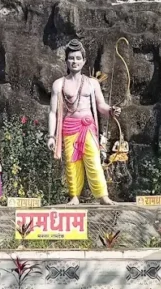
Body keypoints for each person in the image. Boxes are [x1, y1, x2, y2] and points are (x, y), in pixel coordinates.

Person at [47, 39, 121, 205]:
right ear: (66, 61)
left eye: (78, 58)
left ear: (84, 61)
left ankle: (103, 196)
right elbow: (53, 112)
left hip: (87, 127)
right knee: (71, 162)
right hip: (69, 127)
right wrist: (51, 136)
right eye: (71, 58)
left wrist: (110, 110)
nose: (75, 61)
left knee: (93, 160)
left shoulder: (92, 83)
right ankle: (74, 196)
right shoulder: (59, 84)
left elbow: (101, 105)